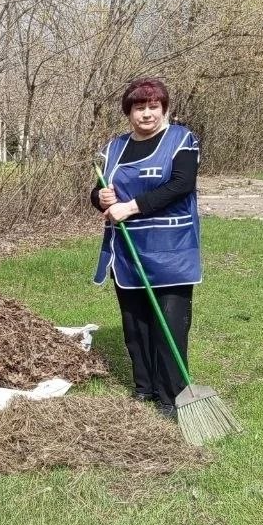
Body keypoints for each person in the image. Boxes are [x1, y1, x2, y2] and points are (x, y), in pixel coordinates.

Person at [91, 78, 200, 418]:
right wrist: (101, 198)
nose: (147, 114)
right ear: (129, 113)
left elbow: (182, 185)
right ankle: (145, 388)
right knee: (135, 325)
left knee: (169, 325)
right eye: (140, 107)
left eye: (154, 106)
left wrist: (131, 206)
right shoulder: (113, 149)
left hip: (171, 250)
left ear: (164, 109)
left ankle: (171, 397)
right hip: (128, 251)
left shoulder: (182, 140)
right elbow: (97, 193)